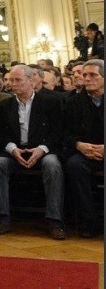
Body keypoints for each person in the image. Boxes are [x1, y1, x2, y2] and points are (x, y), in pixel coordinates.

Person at [0, 65, 66, 239]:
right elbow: (0, 134)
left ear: (31, 81)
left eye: (18, 80)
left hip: (42, 149)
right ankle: (2, 218)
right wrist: (13, 149)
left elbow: (57, 132)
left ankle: (54, 220)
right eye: (11, 80)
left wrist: (41, 149)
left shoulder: (49, 103)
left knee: (53, 165)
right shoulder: (5, 105)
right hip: (15, 150)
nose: (13, 84)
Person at [63, 59, 103, 238]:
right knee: (74, 165)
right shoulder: (74, 102)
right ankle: (89, 221)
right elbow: (65, 133)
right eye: (85, 75)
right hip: (84, 152)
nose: (87, 78)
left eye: (93, 75)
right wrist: (79, 145)